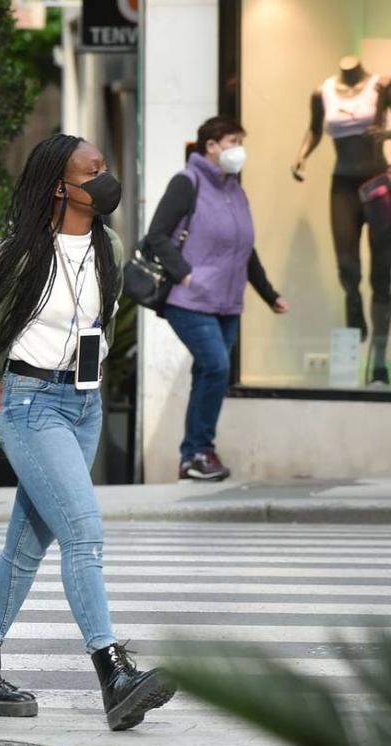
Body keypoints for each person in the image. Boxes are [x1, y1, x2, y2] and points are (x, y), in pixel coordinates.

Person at [0, 134, 174, 731]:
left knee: (28, 545)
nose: (105, 179)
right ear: (62, 186)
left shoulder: (107, 246)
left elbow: (99, 323)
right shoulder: (19, 252)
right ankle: (113, 672)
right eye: (94, 171)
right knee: (83, 532)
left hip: (82, 404)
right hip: (30, 404)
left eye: (106, 168)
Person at [145, 116, 288, 482]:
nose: (239, 149)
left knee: (210, 373)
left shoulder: (234, 189)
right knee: (217, 366)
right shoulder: (187, 182)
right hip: (189, 299)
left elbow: (246, 250)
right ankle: (197, 451)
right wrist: (185, 273)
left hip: (227, 304)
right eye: (232, 141)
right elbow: (157, 234)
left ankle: (194, 456)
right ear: (210, 145)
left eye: (240, 141)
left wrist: (269, 294)